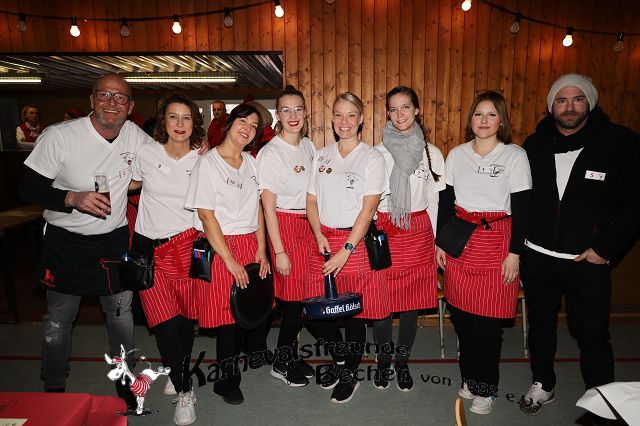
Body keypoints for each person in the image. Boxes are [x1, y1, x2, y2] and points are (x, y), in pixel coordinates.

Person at [18, 73, 152, 407]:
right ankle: (54, 386)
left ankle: (125, 381)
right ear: (92, 100)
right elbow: (28, 188)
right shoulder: (59, 136)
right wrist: (71, 198)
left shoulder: (134, 135)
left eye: (120, 97)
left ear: (130, 106)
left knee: (120, 316)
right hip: (66, 242)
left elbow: (163, 163)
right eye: (104, 95)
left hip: (113, 242)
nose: (112, 103)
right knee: (58, 320)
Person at [518, 74, 640, 422]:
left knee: (592, 334)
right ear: (551, 106)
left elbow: (635, 204)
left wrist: (606, 248)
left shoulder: (619, 143)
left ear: (590, 102)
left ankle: (602, 403)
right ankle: (543, 384)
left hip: (588, 260)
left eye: (577, 99)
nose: (569, 107)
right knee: (541, 325)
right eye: (561, 100)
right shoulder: (535, 144)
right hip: (538, 256)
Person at [435, 91, 531, 415]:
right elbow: (446, 202)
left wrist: (515, 253)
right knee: (462, 318)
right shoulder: (456, 155)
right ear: (471, 119)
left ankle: (486, 387)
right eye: (478, 114)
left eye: (491, 114)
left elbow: (523, 210)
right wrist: (440, 242)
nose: (484, 120)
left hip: (498, 241)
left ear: (501, 121)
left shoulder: (514, 156)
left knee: (487, 325)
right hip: (461, 239)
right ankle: (470, 376)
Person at [305, 92, 389, 404]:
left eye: (351, 115)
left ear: (361, 119)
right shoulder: (321, 155)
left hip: (354, 243)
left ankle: (349, 375)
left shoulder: (372, 158)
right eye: (339, 115)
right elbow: (311, 199)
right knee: (311, 311)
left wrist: (347, 248)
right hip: (323, 241)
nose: (344, 121)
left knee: (354, 315)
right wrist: (317, 233)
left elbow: (368, 209)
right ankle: (341, 359)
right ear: (332, 119)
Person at [185, 103, 270, 406]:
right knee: (228, 317)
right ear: (230, 123)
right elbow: (206, 216)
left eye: (254, 126)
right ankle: (226, 380)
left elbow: (258, 207)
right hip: (220, 244)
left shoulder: (251, 162)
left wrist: (262, 247)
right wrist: (230, 260)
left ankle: (246, 359)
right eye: (243, 121)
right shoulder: (208, 164)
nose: (247, 128)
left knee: (251, 308)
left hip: (249, 242)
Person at [128, 93, 205, 425]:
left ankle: (177, 369)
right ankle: (185, 389)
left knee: (185, 320)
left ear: (194, 123)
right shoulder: (146, 154)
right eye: (173, 117)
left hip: (189, 247)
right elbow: (128, 184)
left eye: (186, 117)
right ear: (164, 121)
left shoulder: (204, 159)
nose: (179, 124)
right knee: (165, 323)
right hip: (150, 251)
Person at [372, 86, 446, 391]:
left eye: (405, 107)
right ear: (387, 113)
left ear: (417, 110)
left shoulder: (432, 153)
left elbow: (434, 198)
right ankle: (383, 360)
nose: (399, 114)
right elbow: (370, 199)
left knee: (411, 304)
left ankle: (401, 362)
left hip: (418, 229)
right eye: (393, 109)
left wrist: (435, 240)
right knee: (382, 302)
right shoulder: (378, 152)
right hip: (386, 229)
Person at [256, 85, 316, 387]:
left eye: (298, 109)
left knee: (302, 300)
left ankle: (289, 355)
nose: (293, 115)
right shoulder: (270, 153)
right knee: (292, 301)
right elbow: (267, 207)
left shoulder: (309, 146)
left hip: (309, 225)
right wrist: (278, 251)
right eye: (286, 110)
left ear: (305, 113)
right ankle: (281, 362)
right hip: (285, 227)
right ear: (277, 115)